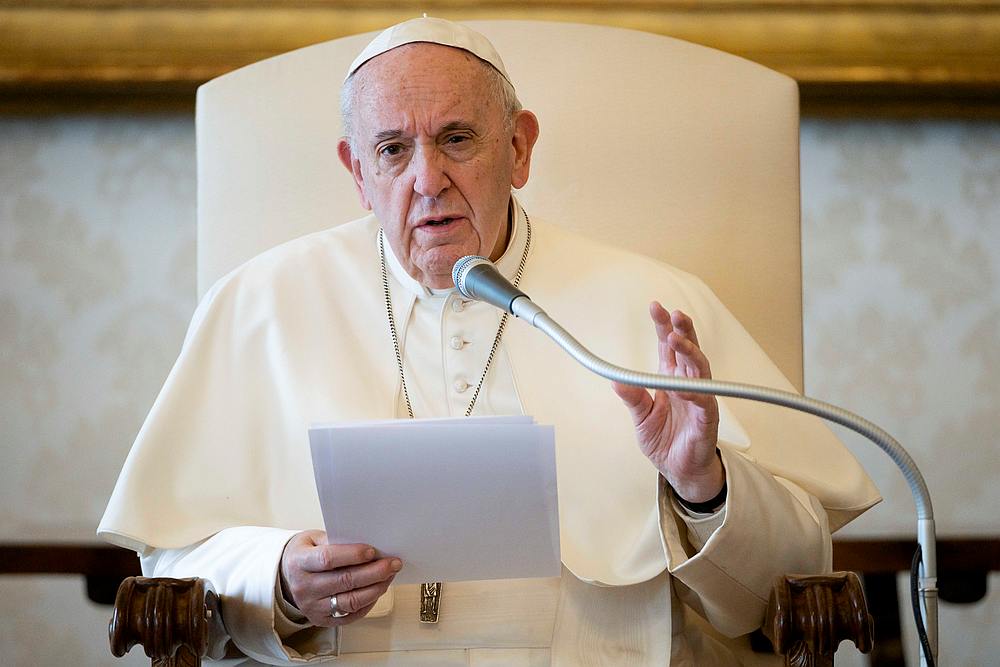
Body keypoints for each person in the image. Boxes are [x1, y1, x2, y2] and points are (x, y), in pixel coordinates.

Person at [99, 17, 879, 666]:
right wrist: (276, 578)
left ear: (520, 147)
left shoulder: (652, 308)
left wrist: (702, 482)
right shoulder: (258, 305)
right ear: (356, 171)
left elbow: (791, 575)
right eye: (393, 150)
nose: (427, 179)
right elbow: (171, 561)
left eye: (458, 138)